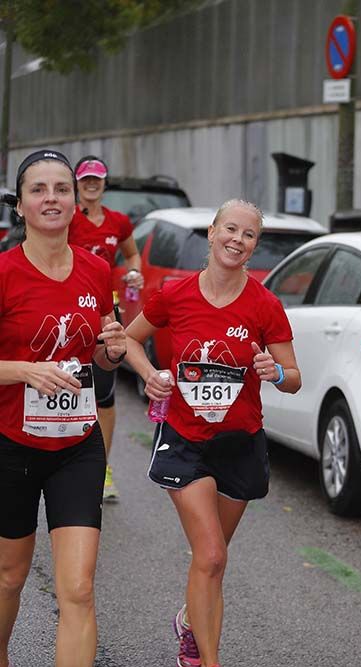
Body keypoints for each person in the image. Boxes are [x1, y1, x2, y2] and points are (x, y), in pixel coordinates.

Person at [124, 199, 300, 667]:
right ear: (212, 232)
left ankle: (190, 619)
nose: (236, 240)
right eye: (230, 229)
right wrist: (148, 373)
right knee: (212, 554)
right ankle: (207, 659)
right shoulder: (175, 294)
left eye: (248, 235)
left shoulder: (265, 305)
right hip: (185, 440)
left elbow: (294, 375)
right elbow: (127, 339)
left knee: (211, 562)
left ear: (255, 246)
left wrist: (274, 372)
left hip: (239, 443)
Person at [0, 149, 127, 667]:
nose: (51, 198)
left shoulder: (98, 270)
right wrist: (24, 370)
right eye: (38, 189)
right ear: (21, 205)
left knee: (77, 587)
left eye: (61, 188)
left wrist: (111, 349)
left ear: (77, 200)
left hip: (78, 444)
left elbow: (99, 352)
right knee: (10, 574)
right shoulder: (4, 271)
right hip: (10, 444)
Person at [68, 155, 144, 502]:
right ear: (77, 183)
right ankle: (55, 461)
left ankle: (102, 467)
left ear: (104, 182)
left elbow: (132, 255)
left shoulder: (118, 221)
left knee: (103, 393)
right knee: (64, 383)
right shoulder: (67, 218)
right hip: (67, 309)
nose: (92, 184)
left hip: (105, 311)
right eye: (85, 179)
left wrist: (132, 273)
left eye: (97, 178)